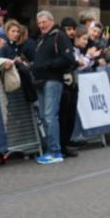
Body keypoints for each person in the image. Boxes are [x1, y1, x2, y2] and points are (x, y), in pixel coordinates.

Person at [31, 10, 77, 165]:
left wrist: (48, 65)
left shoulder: (60, 36)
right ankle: (51, 150)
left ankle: (55, 152)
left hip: (52, 80)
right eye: (39, 23)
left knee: (50, 116)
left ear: (51, 21)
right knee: (45, 117)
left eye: (44, 22)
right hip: (41, 81)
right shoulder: (42, 38)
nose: (42, 25)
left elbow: (69, 58)